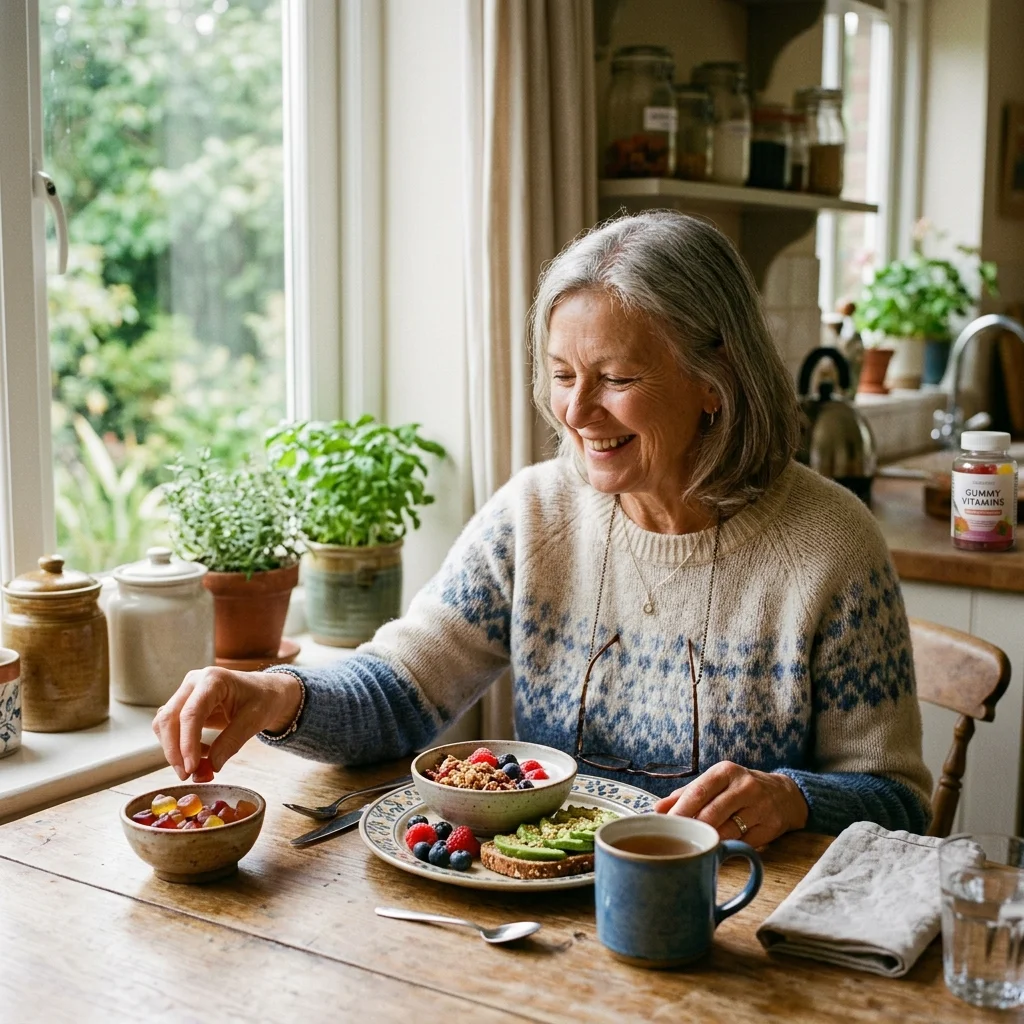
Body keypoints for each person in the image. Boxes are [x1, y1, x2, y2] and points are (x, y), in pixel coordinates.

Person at [153, 211, 932, 848]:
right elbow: (400, 692)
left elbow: (897, 805)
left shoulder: (830, 546)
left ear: (713, 381)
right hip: (542, 920)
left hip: (732, 931)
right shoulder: (535, 515)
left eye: (617, 379)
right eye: (563, 375)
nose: (576, 411)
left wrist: (792, 799)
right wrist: (275, 694)